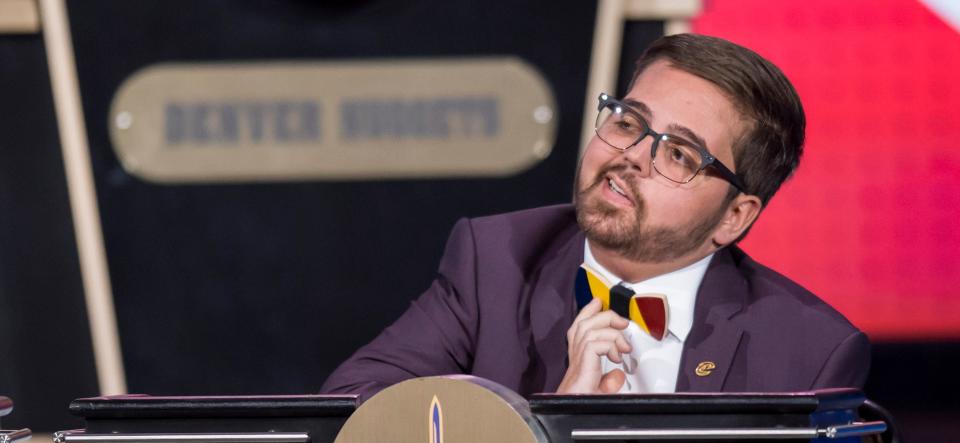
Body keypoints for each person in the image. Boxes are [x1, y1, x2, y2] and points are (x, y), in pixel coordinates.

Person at [322, 33, 869, 401]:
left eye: (678, 154)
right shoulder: (496, 260)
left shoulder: (809, 352)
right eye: (629, 122)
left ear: (734, 217)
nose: (631, 154)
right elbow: (352, 406)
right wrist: (545, 427)